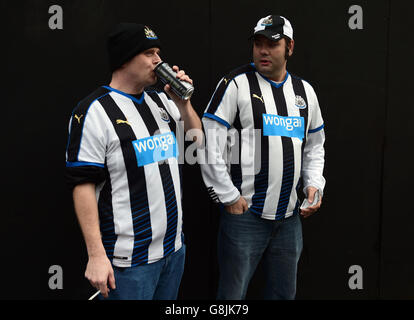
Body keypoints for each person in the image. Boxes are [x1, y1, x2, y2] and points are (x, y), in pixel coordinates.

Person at [65, 22, 201, 300]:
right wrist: (96, 255)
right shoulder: (94, 111)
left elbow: (197, 139)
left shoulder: (160, 101)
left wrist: (183, 103)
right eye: (149, 53)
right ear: (125, 58)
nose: (158, 60)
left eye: (158, 52)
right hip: (130, 263)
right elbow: (82, 185)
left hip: (174, 251)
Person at [200, 15, 326, 299]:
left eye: (272, 44)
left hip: (290, 218)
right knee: (232, 295)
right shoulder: (235, 84)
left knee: (283, 294)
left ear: (290, 47)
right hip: (246, 217)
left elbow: (315, 146)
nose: (263, 50)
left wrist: (314, 184)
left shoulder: (305, 92)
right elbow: (208, 143)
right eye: (258, 43)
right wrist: (228, 196)